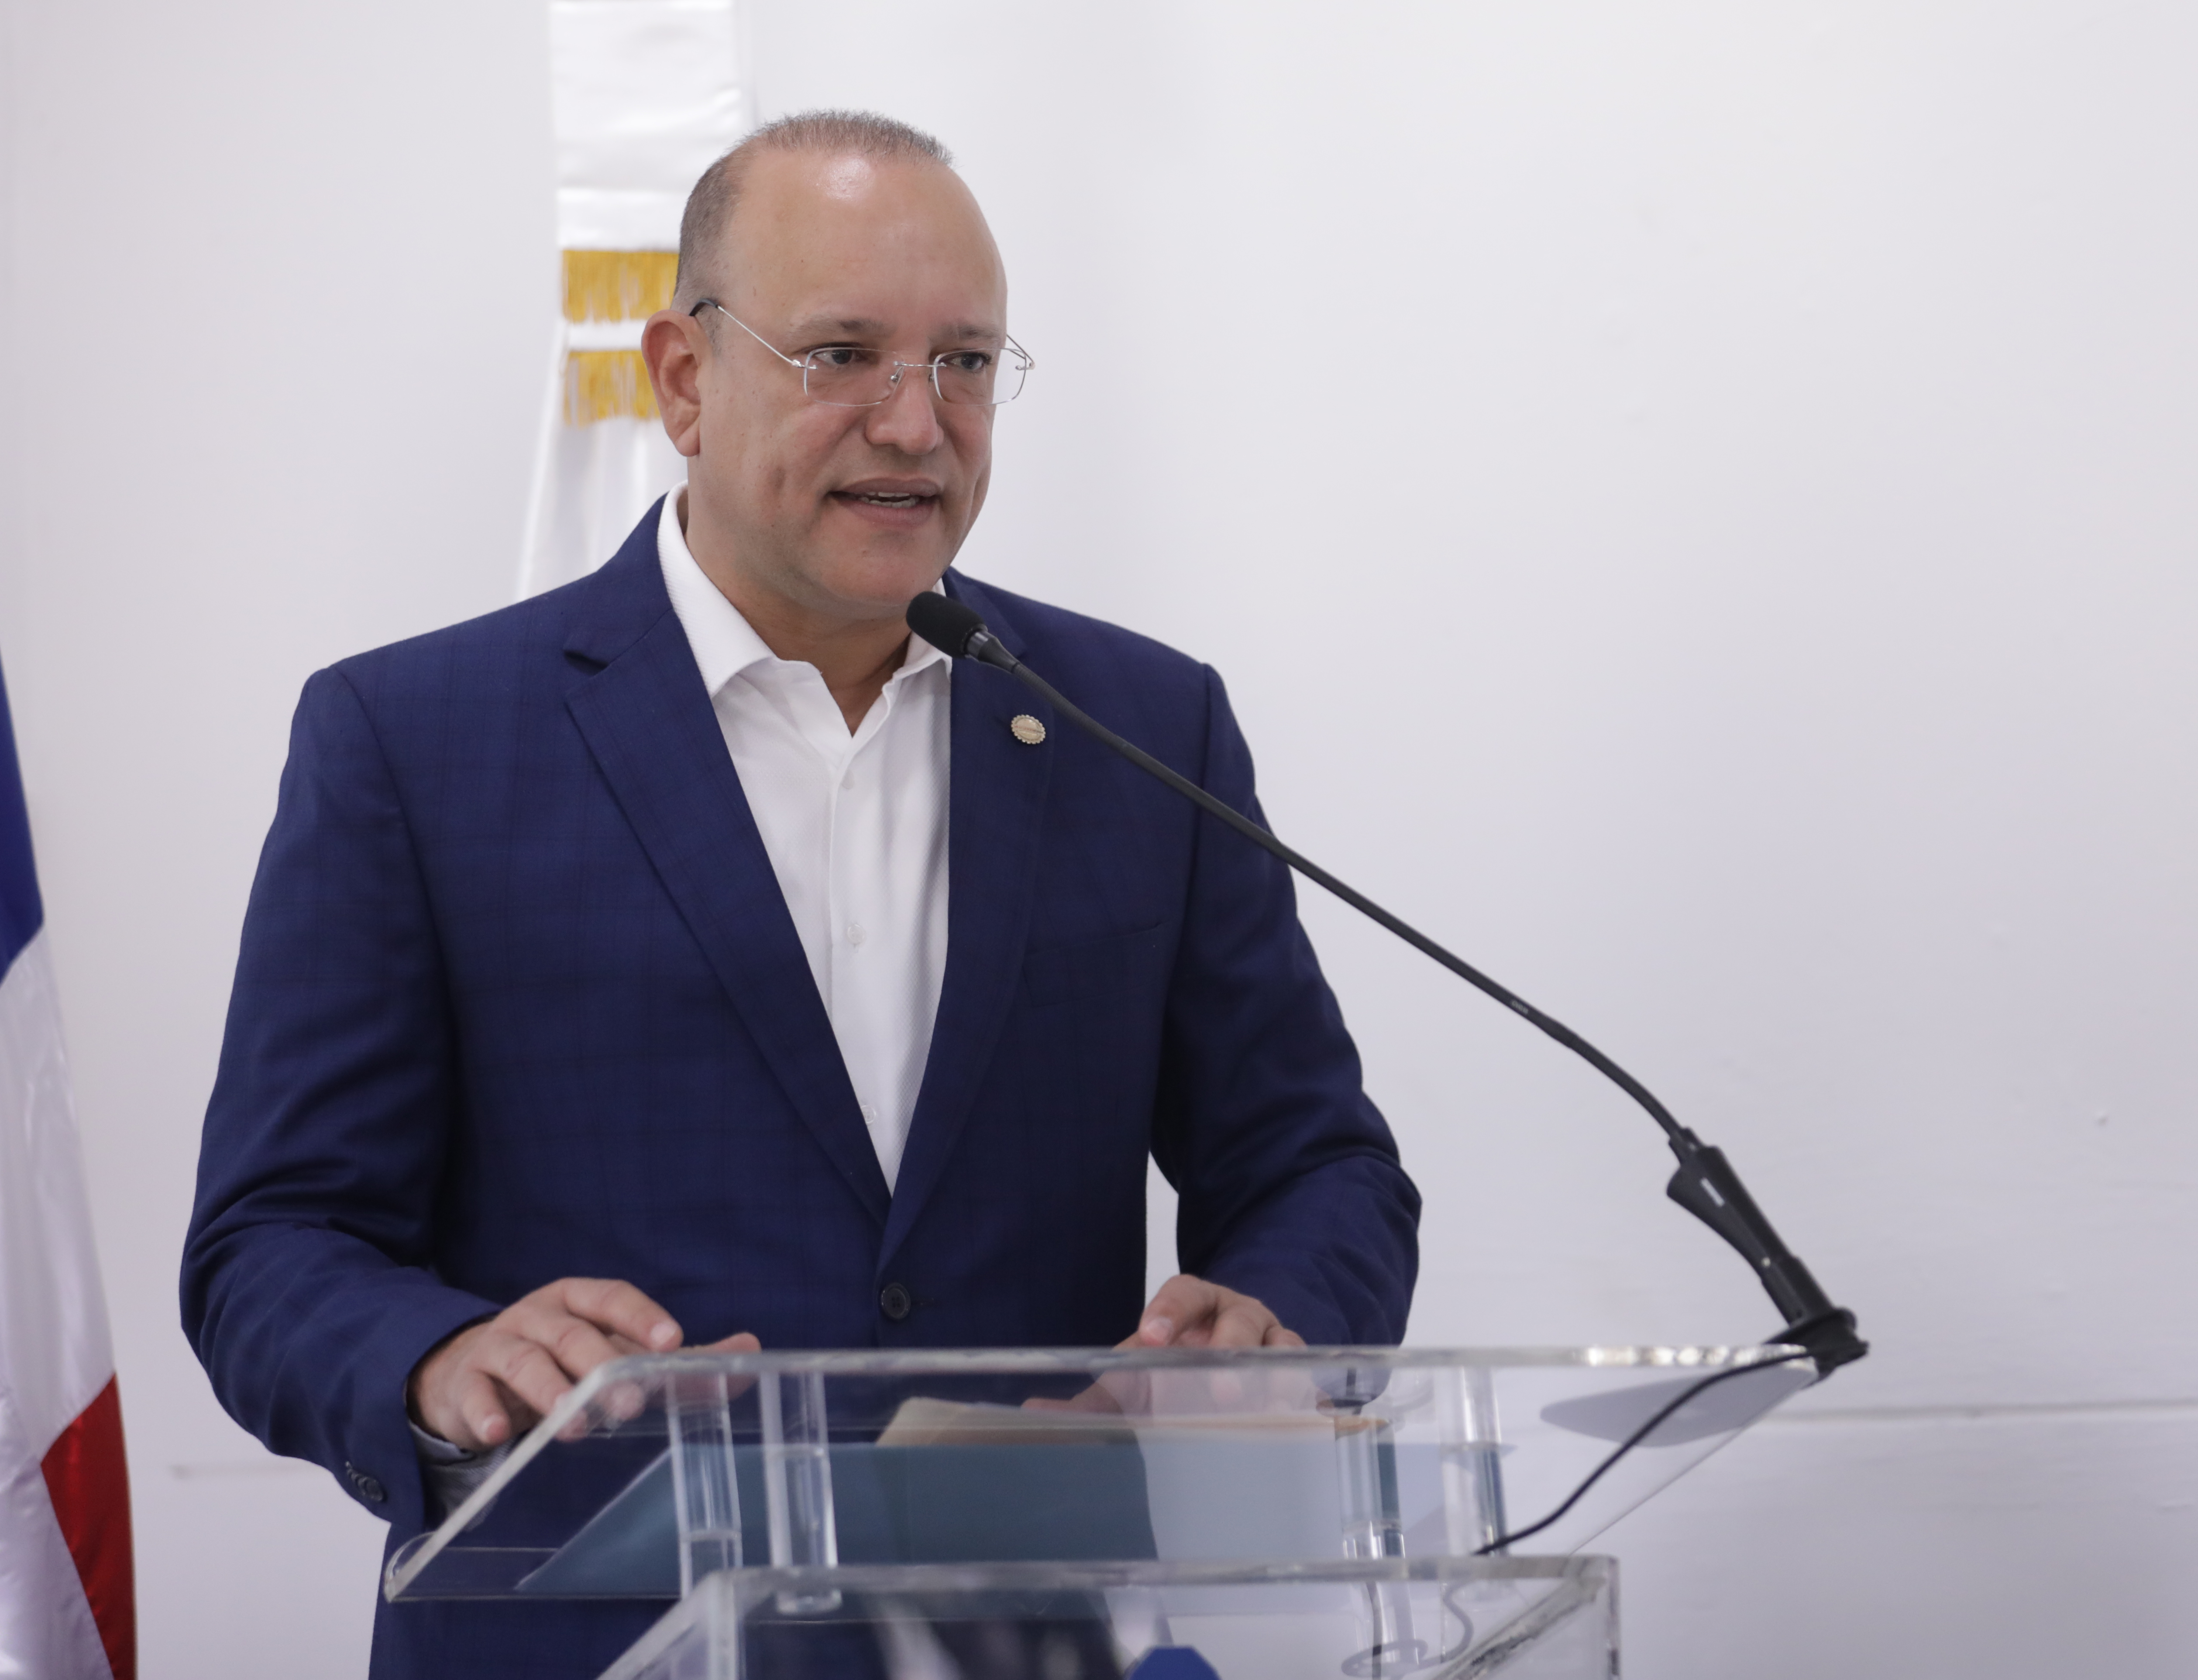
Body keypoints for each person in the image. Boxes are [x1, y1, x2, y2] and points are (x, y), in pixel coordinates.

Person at [180, 111, 1420, 1679]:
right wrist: (441, 1357)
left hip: (1022, 1640)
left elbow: (1317, 1165)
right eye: (843, 355)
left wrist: (1269, 1321)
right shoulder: (417, 742)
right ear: (684, 379)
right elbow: (273, 1244)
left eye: (966, 363)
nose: (916, 423)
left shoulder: (1138, 727)